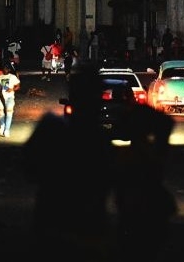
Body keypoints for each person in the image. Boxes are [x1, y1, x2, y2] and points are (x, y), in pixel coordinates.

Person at [24, 68, 117, 255]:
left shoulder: (52, 128)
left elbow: (28, 168)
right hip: (83, 225)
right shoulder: (99, 139)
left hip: (57, 222)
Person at [115, 103, 176, 259]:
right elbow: (167, 124)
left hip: (135, 213)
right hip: (150, 212)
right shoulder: (152, 152)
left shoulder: (127, 155)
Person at [0, 64, 21, 138]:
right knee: (1, 113)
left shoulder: (12, 77)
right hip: (1, 97)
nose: (4, 70)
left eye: (6, 69)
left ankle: (7, 130)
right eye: (3, 68)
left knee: (9, 113)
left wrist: (12, 89)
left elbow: (18, 86)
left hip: (10, 98)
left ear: (9, 69)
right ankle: (2, 125)